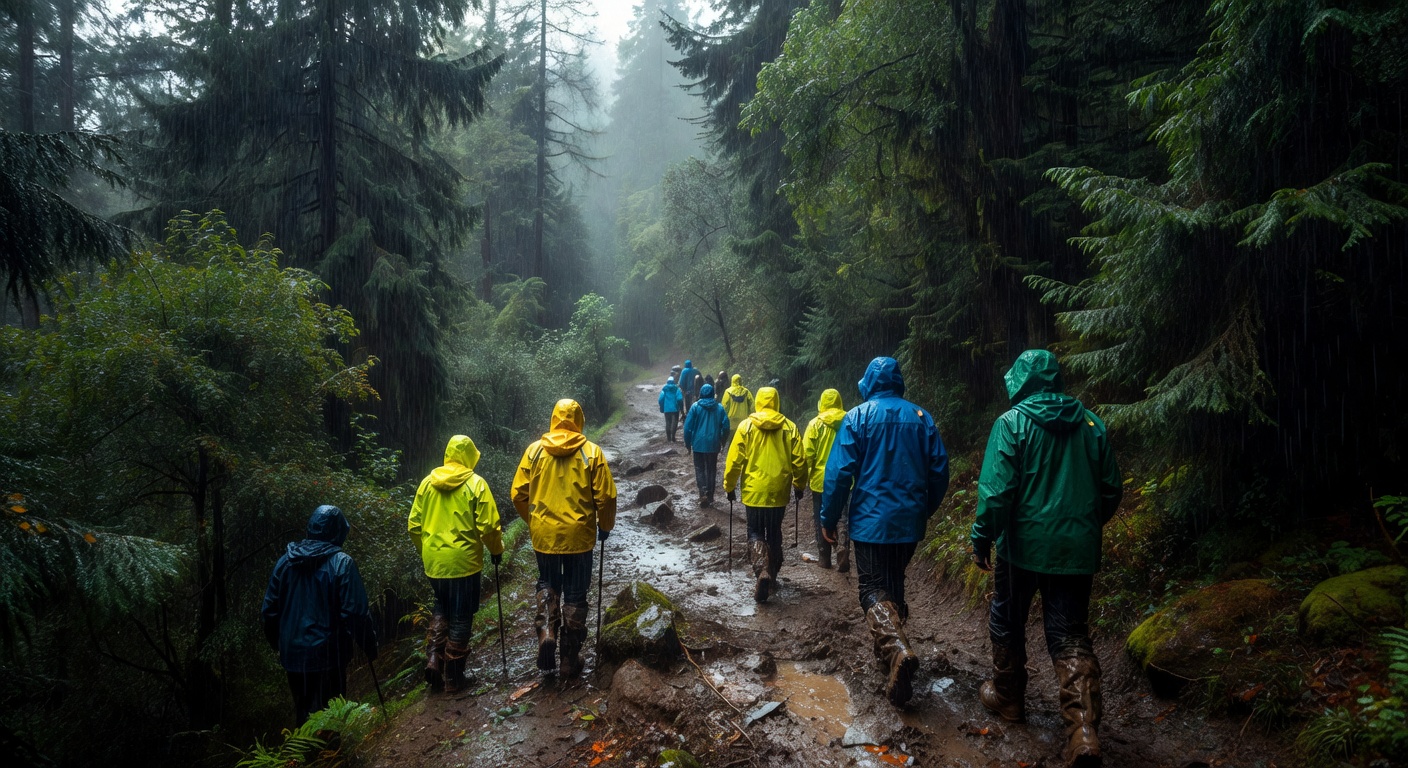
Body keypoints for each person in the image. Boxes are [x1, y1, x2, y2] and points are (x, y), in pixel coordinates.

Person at [970, 349, 1121, 767]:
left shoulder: (1011, 423)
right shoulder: (1091, 424)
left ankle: (1008, 698)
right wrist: (1080, 527)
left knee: (1007, 617)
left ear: (1019, 382)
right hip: (1075, 549)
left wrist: (982, 538)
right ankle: (1083, 731)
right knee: (1070, 635)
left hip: (1021, 548)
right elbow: (1111, 489)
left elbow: (997, 494)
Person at [821, 357, 948, 707]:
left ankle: (896, 651)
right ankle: (890, 659)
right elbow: (939, 472)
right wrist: (923, 509)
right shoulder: (921, 417)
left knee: (871, 590)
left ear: (869, 383)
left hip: (870, 522)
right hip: (908, 521)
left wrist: (828, 518)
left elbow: (838, 474)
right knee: (894, 583)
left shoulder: (858, 417)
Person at [512, 399, 618, 677]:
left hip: (545, 536)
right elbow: (606, 496)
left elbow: (518, 494)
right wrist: (605, 524)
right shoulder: (591, 452)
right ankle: (569, 660)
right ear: (579, 420)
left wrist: (535, 522)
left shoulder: (534, 451)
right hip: (579, 537)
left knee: (548, 582)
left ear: (553, 419)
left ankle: (547, 631)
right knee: (575, 592)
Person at [261, 505, 378, 724]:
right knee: (330, 715)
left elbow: (269, 611)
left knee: (304, 714)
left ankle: (306, 745)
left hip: (294, 656)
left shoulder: (285, 562)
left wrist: (279, 644)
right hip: (329, 655)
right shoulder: (342, 563)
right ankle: (328, 746)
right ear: (339, 532)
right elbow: (356, 614)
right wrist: (369, 646)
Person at [408, 435, 506, 694]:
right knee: (461, 615)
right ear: (469, 456)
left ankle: (434, 658)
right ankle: (453, 676)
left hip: (435, 563)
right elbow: (489, 527)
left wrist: (428, 552)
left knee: (442, 607)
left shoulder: (427, 483)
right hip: (464, 563)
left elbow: (414, 526)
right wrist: (496, 551)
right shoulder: (476, 484)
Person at [723, 386, 805, 603]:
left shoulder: (746, 427)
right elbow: (799, 461)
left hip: (754, 491)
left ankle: (762, 571)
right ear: (776, 402)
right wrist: (799, 484)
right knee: (774, 532)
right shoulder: (789, 427)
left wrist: (729, 486)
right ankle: (773, 574)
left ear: (758, 402)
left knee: (755, 531)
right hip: (778, 491)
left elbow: (734, 461)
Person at [802, 388, 848, 570]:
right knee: (842, 515)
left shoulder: (815, 424)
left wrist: (802, 480)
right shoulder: (849, 421)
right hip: (844, 478)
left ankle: (824, 557)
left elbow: (807, 456)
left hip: (820, 481)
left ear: (821, 403)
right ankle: (843, 546)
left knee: (821, 518)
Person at [683, 382, 730, 504]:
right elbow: (726, 426)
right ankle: (710, 495)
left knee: (699, 468)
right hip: (713, 444)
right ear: (713, 393)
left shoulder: (695, 407)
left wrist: (688, 444)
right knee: (711, 469)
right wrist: (722, 441)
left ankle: (702, 492)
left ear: (701, 393)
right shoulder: (719, 408)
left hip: (698, 444)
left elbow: (687, 428)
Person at [721, 374, 753, 449]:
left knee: (731, 438)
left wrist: (724, 416)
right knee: (742, 438)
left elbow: (724, 405)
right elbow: (752, 404)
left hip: (731, 419)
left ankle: (730, 451)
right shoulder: (746, 392)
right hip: (743, 419)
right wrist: (750, 414)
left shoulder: (728, 392)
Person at [658, 376, 684, 442]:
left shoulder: (664, 389)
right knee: (674, 423)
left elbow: (660, 399)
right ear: (673, 382)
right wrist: (681, 408)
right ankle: (673, 437)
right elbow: (680, 399)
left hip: (666, 409)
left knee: (668, 423)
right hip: (675, 409)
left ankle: (668, 438)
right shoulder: (676, 389)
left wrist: (662, 407)